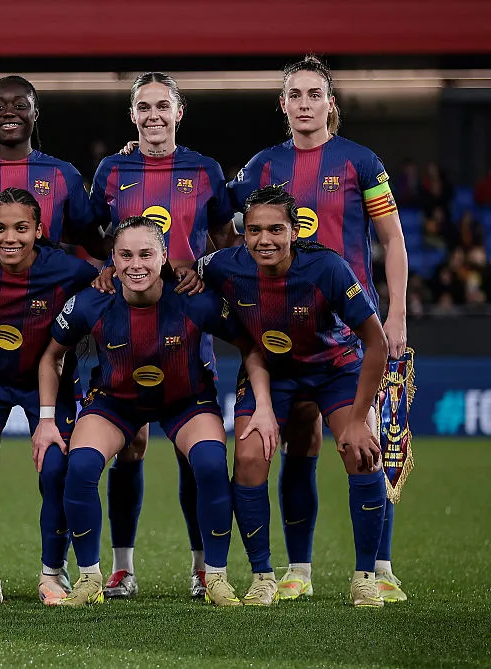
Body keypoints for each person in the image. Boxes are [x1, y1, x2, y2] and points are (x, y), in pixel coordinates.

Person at [228, 55, 409, 602]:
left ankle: (378, 569)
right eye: (295, 95)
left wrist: (397, 313)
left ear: (331, 103)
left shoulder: (359, 161)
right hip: (280, 334)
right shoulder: (262, 166)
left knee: (367, 443)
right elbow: (220, 216)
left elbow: (393, 240)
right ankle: (297, 571)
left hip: (350, 332)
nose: (305, 104)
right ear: (282, 105)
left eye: (314, 94)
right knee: (299, 446)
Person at [34, 215, 277, 607]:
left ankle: (215, 576)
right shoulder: (92, 300)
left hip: (186, 401)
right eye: (125, 255)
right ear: (111, 258)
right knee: (80, 468)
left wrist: (262, 404)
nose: (136, 264)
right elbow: (52, 357)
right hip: (115, 402)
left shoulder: (195, 299)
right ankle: (90, 578)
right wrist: (47, 419)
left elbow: (251, 345)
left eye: (146, 254)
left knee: (212, 464)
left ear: (164, 255)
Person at [199, 185, 390, 607]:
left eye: (275, 229)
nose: (264, 240)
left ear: (294, 231)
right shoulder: (224, 266)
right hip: (272, 374)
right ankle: (263, 575)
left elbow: (374, 343)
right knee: (248, 457)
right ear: (242, 233)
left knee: (361, 453)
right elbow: (175, 270)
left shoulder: (328, 268)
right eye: (253, 230)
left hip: (334, 370)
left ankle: (365, 577)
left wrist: (358, 420)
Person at [0, 76, 96, 592]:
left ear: (36, 112)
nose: (9, 112)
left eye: (20, 105)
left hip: (48, 368)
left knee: (55, 471)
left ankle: (54, 571)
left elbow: (97, 255)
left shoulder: (65, 178)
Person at [91, 72, 238, 599]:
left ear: (180, 113)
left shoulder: (205, 170)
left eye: (163, 106)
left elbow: (225, 237)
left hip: (186, 326)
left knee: (190, 448)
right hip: (124, 323)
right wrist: (103, 268)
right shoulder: (112, 170)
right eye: (144, 107)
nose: (154, 115)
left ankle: (202, 567)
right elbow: (94, 237)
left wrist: (206, 267)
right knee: (129, 445)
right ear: (133, 115)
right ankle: (122, 568)